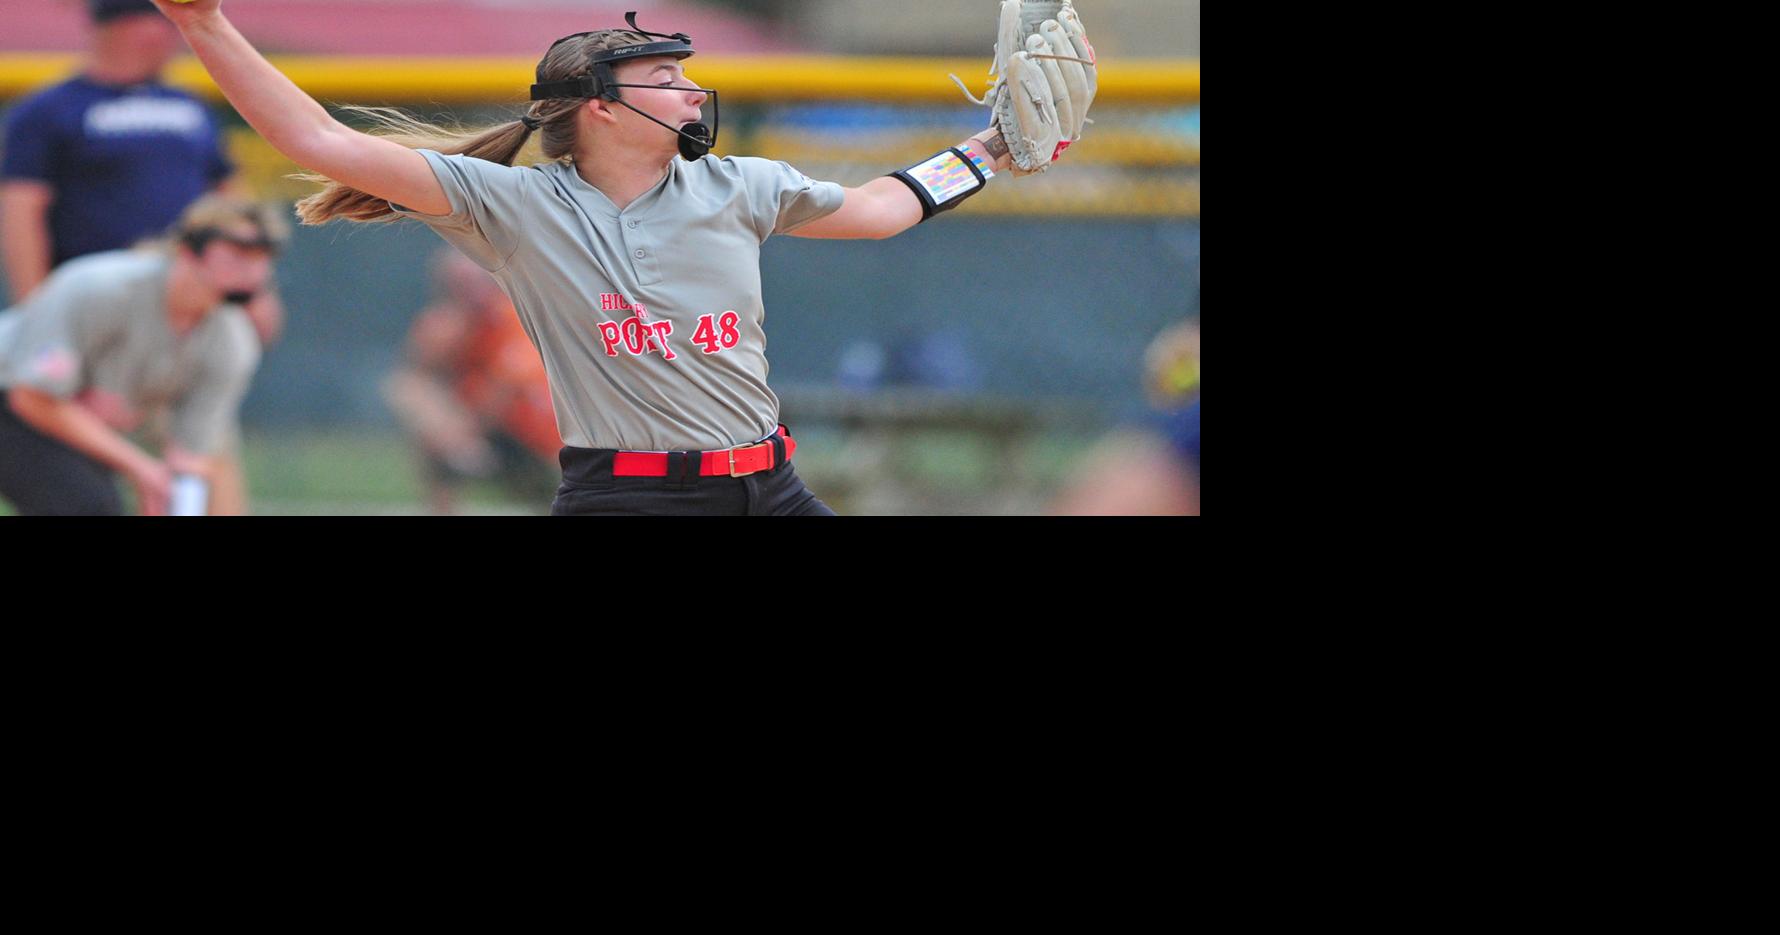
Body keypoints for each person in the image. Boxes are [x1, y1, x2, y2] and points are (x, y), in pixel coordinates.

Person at [145, 1, 1071, 516]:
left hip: (770, 487)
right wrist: (204, 24)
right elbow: (319, 139)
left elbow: (875, 211)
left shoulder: (737, 185)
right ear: (599, 108)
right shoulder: (515, 205)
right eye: (664, 81)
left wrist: (985, 153)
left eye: (686, 74)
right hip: (630, 503)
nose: (691, 89)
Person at [2, 0, 283, 514]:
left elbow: (231, 199)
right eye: (160, 21)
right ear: (123, 25)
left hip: (182, 310)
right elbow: (22, 209)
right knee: (80, 487)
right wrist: (37, 306)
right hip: (95, 321)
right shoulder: (50, 111)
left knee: (204, 454)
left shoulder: (189, 107)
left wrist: (255, 287)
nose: (170, 35)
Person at [0, 194, 284, 516]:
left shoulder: (232, 340)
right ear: (189, 252)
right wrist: (141, 469)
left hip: (68, 424)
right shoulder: (104, 288)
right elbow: (31, 397)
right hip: (11, 401)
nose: (254, 268)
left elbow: (190, 457)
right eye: (239, 252)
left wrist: (173, 498)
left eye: (264, 255)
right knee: (87, 506)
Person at [383, 249, 561, 515]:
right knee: (410, 393)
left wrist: (462, 434)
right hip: (473, 437)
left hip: (532, 443)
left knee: (553, 500)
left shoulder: (513, 320)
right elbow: (413, 380)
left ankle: (462, 449)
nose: (468, 295)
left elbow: (503, 393)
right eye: (457, 287)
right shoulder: (442, 330)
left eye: (474, 284)